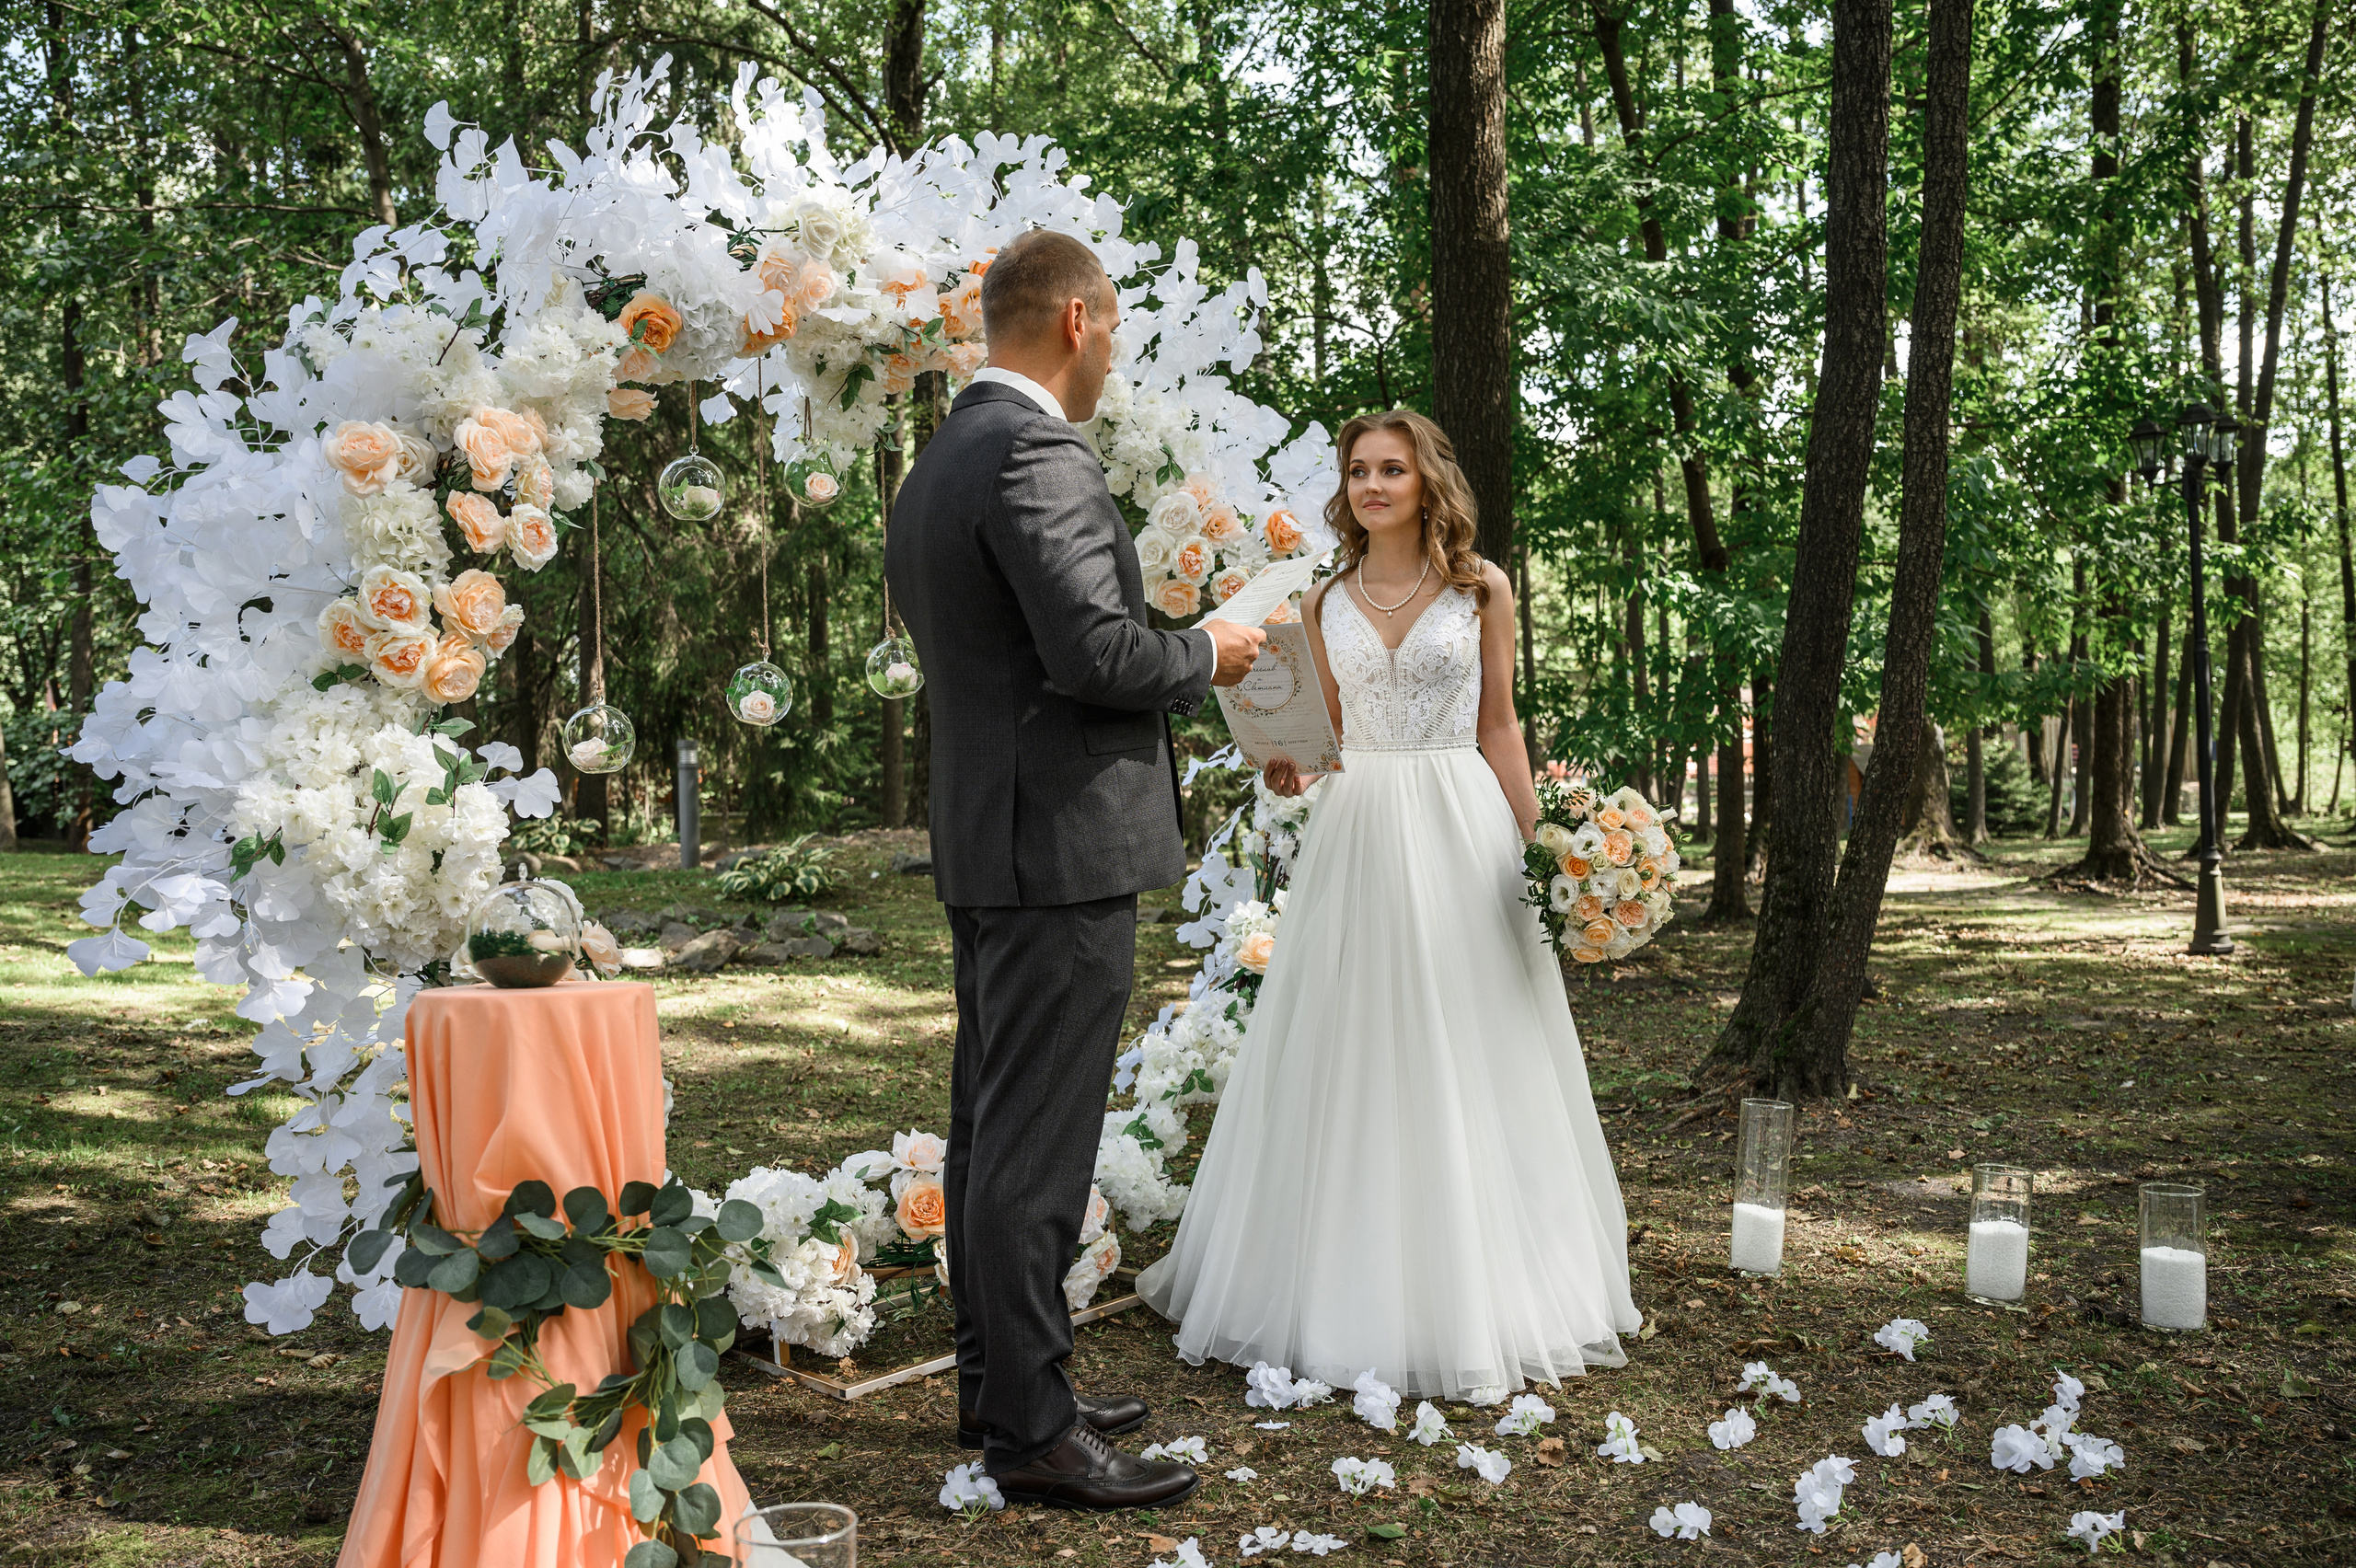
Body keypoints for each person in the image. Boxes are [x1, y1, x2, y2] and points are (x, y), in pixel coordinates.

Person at [1137, 409, 1641, 1398]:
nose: (1373, 485)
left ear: (1425, 482)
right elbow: (1312, 736)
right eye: (1359, 471)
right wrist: (1288, 771)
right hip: (1361, 824)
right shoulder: (1323, 599)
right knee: (1357, 1041)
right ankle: (1343, 1287)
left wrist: (1544, 849)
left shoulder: (1481, 586)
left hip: (1462, 820)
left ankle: (1492, 1286)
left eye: (1392, 470)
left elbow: (1499, 724)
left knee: (1475, 1036)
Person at [884, 228, 1267, 1508]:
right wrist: (1208, 649)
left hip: (996, 841)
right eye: (1117, 331)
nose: (1115, 355)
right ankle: (1034, 1433)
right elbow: (1096, 655)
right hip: (1056, 845)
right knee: (1035, 1148)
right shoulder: (1034, 449)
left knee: (993, 1129)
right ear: (1082, 319)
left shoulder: (942, 459)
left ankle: (1002, 1386)